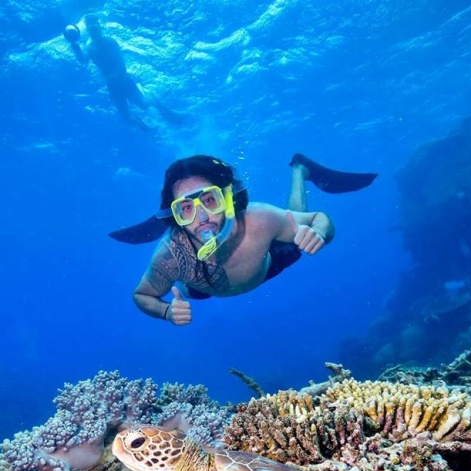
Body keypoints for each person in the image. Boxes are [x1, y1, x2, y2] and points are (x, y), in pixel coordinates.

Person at [109, 153, 377, 326]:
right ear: (176, 216)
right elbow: (142, 294)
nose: (201, 217)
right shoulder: (170, 255)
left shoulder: (258, 219)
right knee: (195, 293)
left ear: (227, 199)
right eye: (186, 209)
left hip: (267, 262)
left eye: (209, 200)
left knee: (297, 231)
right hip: (202, 288)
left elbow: (319, 218)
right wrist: (166, 311)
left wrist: (318, 233)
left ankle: (299, 170)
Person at [64, 16, 180, 130]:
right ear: (88, 31)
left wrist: (115, 75)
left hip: (124, 81)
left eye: (95, 26)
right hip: (112, 86)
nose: (93, 29)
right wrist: (76, 49)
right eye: (90, 27)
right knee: (127, 118)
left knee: (144, 104)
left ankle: (162, 108)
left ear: (100, 27)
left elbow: (120, 62)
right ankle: (145, 127)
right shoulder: (90, 48)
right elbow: (83, 60)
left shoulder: (109, 41)